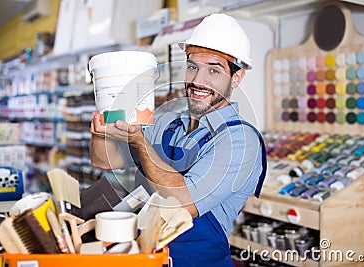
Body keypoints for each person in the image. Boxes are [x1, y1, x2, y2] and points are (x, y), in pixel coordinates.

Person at [90, 13, 267, 267]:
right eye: (192, 66)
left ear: (236, 78)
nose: (197, 81)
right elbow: (107, 161)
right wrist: (100, 133)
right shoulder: (167, 121)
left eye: (214, 70)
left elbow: (184, 204)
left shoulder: (240, 140)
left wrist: (140, 142)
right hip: (150, 258)